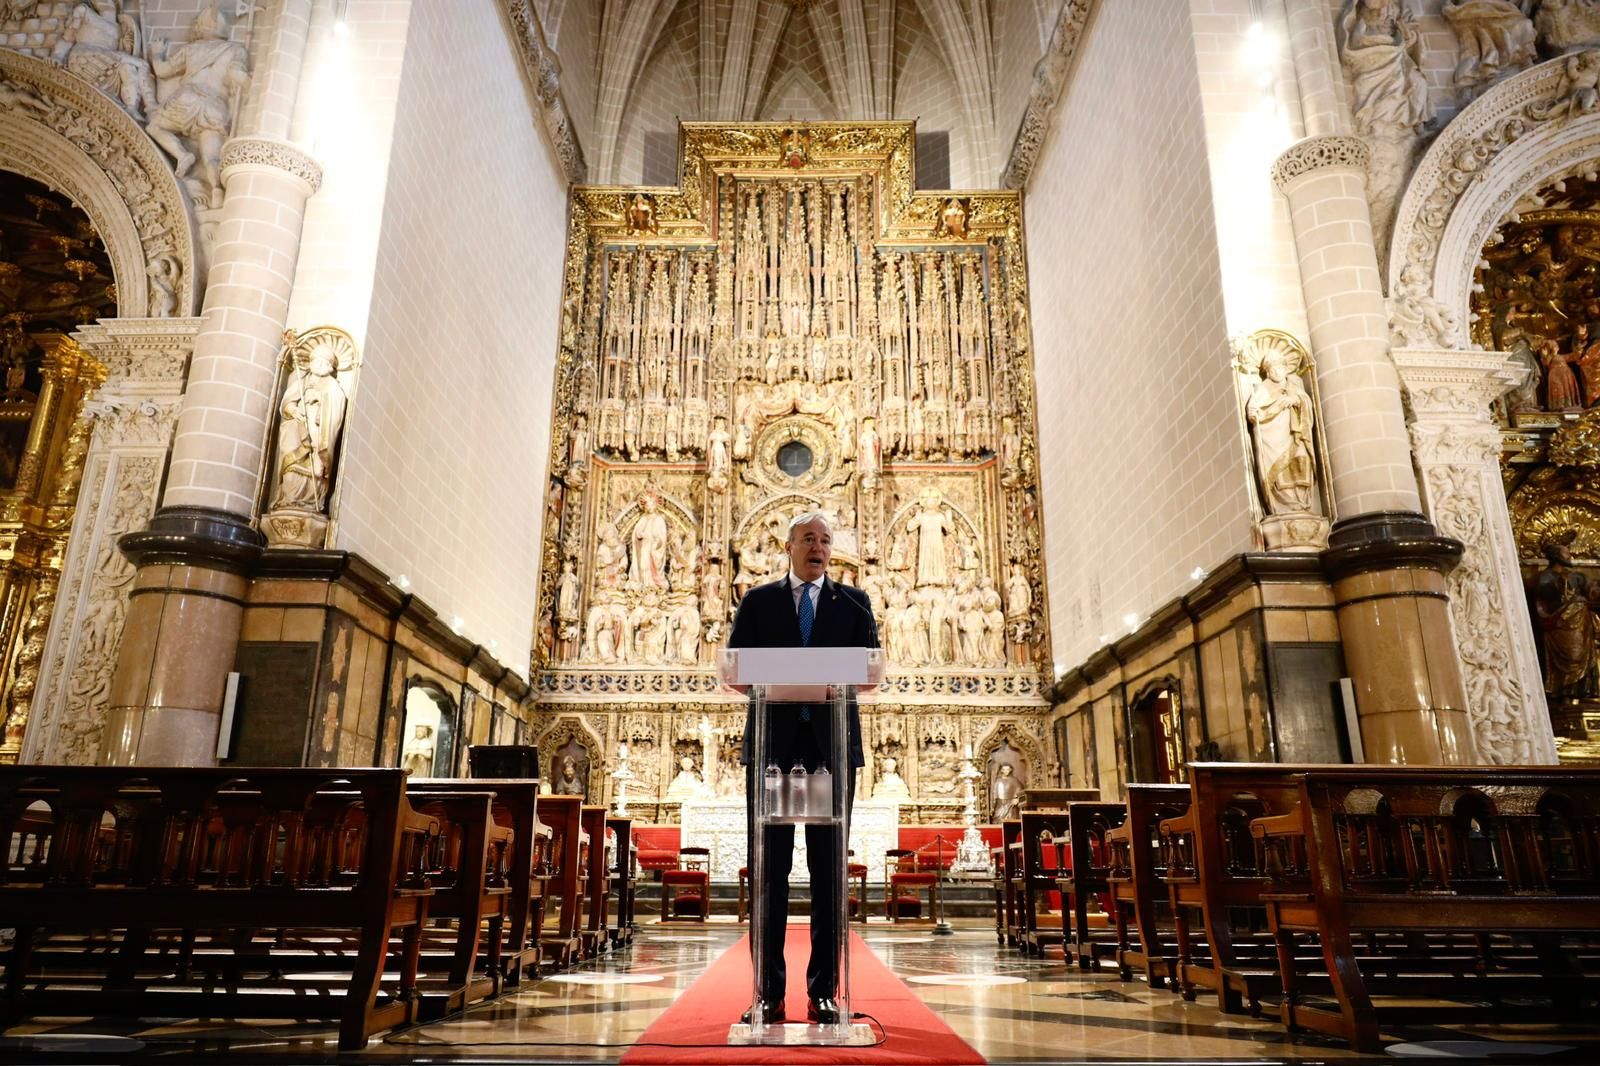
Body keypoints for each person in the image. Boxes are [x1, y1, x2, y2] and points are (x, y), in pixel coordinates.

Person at [727, 511, 878, 1026]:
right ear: (788, 547)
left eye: (825, 540)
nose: (818, 547)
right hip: (774, 749)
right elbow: (735, 664)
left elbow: (869, 666)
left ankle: (825, 990)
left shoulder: (854, 602)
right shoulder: (759, 601)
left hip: (831, 751)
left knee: (828, 873)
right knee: (769, 871)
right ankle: (767, 992)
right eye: (808, 539)